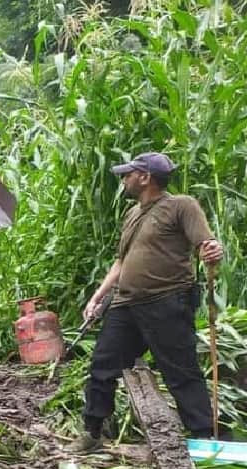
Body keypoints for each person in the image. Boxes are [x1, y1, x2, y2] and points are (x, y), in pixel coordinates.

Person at [72, 152, 224, 452]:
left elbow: (206, 244)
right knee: (102, 364)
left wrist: (212, 251)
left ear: (145, 177)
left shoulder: (181, 205)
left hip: (166, 300)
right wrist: (98, 296)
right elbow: (122, 261)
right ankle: (93, 432)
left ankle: (204, 438)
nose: (124, 179)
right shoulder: (132, 214)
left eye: (128, 174)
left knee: (180, 371)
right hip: (125, 304)